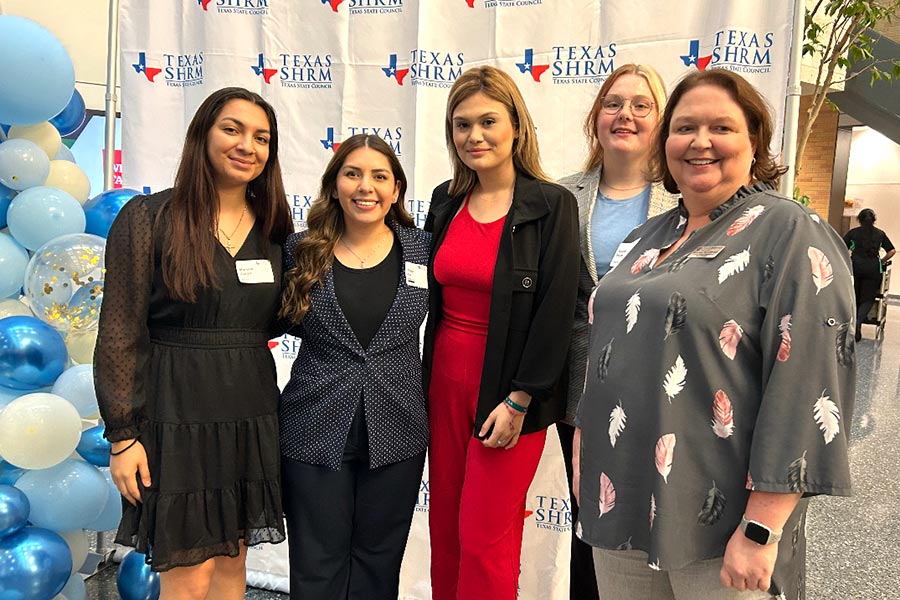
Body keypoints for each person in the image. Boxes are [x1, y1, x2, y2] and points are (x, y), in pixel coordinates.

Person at [574, 69, 855, 600]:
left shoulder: (788, 231)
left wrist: (761, 528)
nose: (700, 142)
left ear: (755, 143)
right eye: (684, 128)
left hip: (721, 523)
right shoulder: (647, 236)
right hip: (623, 506)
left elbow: (809, 383)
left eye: (721, 128)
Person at [95, 87, 292, 599]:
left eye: (261, 137)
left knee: (231, 567)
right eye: (232, 129)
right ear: (202, 134)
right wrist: (122, 435)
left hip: (248, 410)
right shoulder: (148, 218)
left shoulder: (275, 229)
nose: (247, 145)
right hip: (173, 413)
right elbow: (119, 333)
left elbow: (270, 320)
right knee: (188, 577)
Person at [423, 65, 580, 600]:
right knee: (443, 528)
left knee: (485, 536)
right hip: (443, 382)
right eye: (462, 125)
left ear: (516, 125)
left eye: (488, 121)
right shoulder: (443, 201)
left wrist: (519, 399)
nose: (475, 136)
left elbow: (556, 311)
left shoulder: (551, 204)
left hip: (509, 390)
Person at [278, 134, 429, 600]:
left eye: (380, 176)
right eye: (353, 174)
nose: (367, 187)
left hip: (398, 427)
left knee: (378, 562)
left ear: (397, 189)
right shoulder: (300, 250)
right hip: (314, 423)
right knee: (316, 564)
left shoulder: (423, 249)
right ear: (335, 185)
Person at [557, 63, 678, 600]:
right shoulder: (562, 196)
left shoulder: (685, 197)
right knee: (589, 523)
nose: (625, 114)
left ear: (662, 120)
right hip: (579, 389)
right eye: (613, 103)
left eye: (641, 104)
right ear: (595, 118)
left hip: (660, 386)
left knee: (655, 514)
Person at [844, 208, 895, 341]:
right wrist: (881, 261)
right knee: (867, 299)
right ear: (874, 220)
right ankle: (858, 322)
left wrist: (849, 258)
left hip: (855, 268)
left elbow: (841, 247)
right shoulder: (880, 234)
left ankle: (856, 324)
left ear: (859, 220)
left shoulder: (853, 233)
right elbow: (892, 251)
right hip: (873, 269)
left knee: (855, 297)